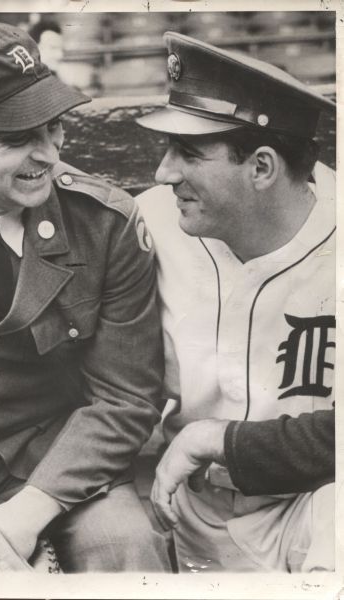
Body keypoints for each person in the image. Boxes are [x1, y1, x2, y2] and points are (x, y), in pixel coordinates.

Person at [0, 21, 170, 573]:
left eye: (54, 126)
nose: (49, 153)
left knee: (127, 554)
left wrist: (27, 514)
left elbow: (126, 397)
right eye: (18, 137)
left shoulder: (103, 223)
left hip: (63, 472)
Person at [136, 32, 335, 572]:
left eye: (190, 153)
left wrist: (218, 440)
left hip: (309, 507)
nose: (164, 173)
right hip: (174, 501)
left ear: (263, 168)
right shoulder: (147, 222)